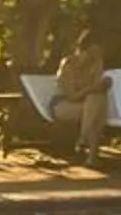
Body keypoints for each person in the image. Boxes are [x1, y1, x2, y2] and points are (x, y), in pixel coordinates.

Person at [48, 27, 112, 161]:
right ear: (88, 47)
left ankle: (83, 138)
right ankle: (91, 155)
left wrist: (102, 86)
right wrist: (93, 88)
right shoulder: (69, 64)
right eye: (97, 49)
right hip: (63, 104)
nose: (101, 53)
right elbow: (72, 95)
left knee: (96, 101)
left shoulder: (97, 62)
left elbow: (95, 90)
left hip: (87, 105)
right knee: (95, 105)